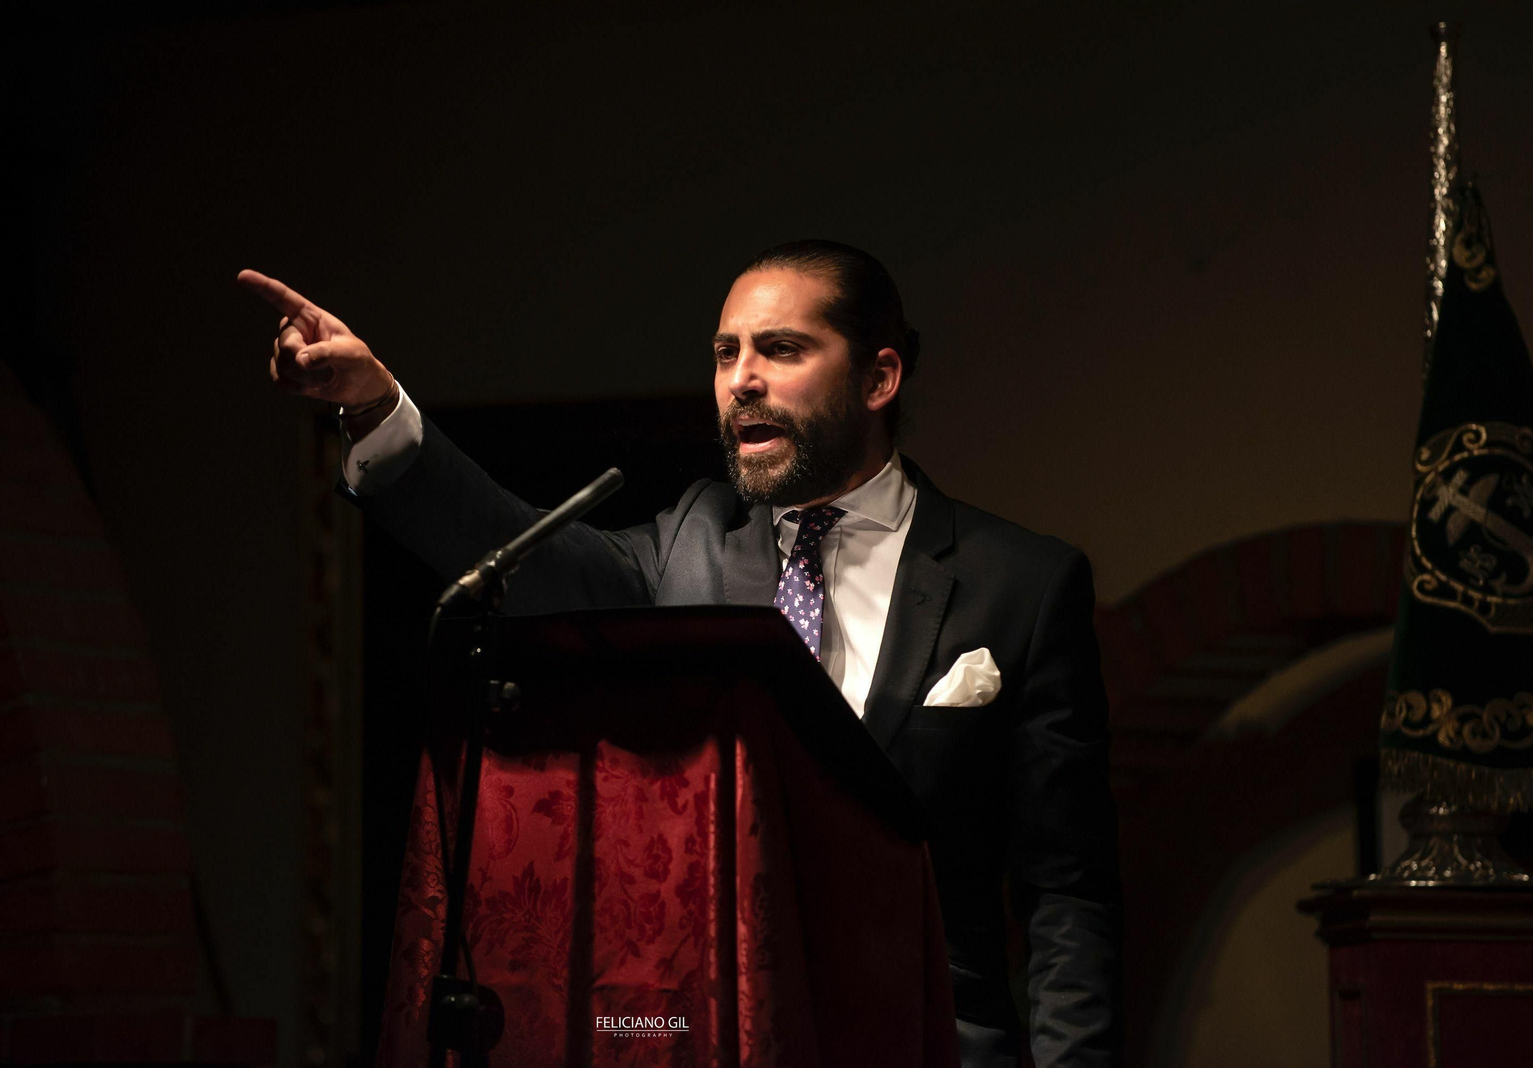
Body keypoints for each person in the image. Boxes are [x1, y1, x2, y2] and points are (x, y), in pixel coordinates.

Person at [239, 240, 1121, 1067]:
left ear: (880, 375)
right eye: (724, 352)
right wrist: (374, 406)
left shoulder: (1022, 585)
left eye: (779, 349)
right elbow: (517, 547)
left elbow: (1066, 897)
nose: (741, 380)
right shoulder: (686, 545)